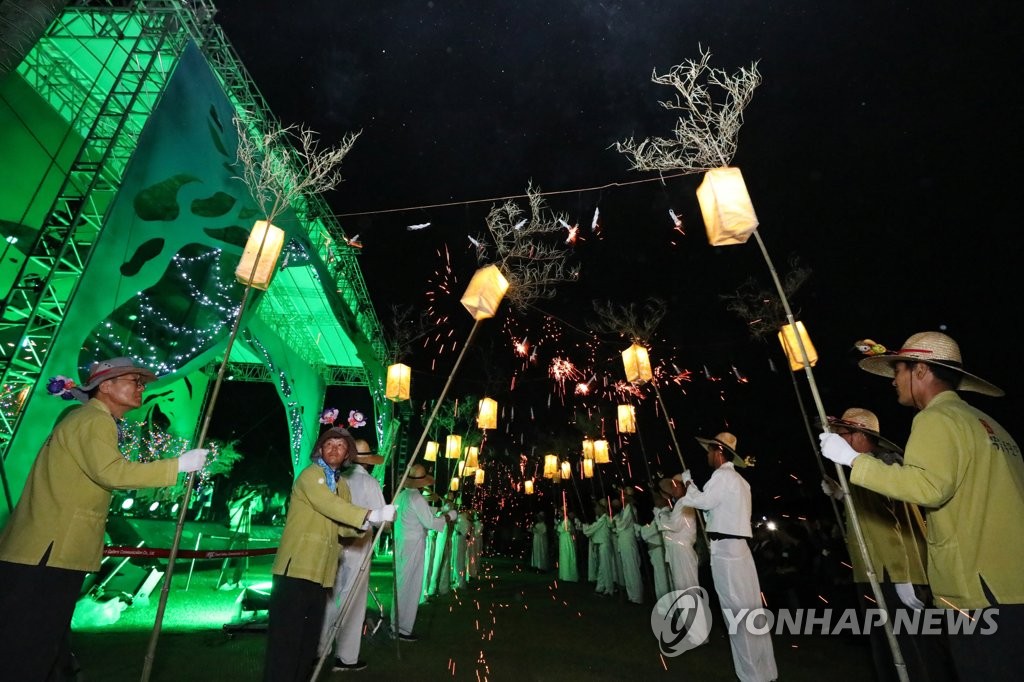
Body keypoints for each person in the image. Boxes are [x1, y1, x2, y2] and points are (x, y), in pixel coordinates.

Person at [820, 331, 1024, 680]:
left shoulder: (935, 419)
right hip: (1012, 582)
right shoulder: (991, 426)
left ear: (920, 371)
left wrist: (855, 461)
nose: (894, 381)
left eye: (898, 370)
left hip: (976, 587)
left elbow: (928, 487)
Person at [0, 357, 208, 681]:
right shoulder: (95, 421)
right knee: (30, 648)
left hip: (43, 549)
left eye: (142, 383)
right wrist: (177, 465)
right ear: (106, 386)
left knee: (42, 645)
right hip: (50, 552)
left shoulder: (86, 419)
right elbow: (112, 472)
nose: (141, 388)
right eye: (134, 381)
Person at [821, 408, 953, 682]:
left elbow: (886, 524)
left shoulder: (871, 467)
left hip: (889, 574)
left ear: (858, 436)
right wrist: (842, 495)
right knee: (913, 646)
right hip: (891, 571)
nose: (836, 439)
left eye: (841, 434)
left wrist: (900, 576)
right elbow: (875, 512)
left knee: (903, 653)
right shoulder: (882, 467)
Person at [262, 428, 394, 682]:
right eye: (329, 444)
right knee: (286, 646)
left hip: (322, 574)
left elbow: (342, 525)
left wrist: (372, 520)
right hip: (296, 570)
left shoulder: (341, 485)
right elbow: (328, 504)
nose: (334, 449)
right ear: (320, 450)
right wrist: (370, 515)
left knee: (307, 645)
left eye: (341, 446)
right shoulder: (311, 476)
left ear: (348, 454)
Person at [680, 432, 777, 682]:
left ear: (718, 451)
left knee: (736, 613)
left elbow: (703, 502)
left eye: (709, 452)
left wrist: (689, 484)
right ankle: (765, 671)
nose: (707, 457)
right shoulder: (741, 481)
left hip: (726, 551)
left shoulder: (722, 476)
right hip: (740, 550)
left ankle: (750, 676)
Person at [318, 438, 386, 673]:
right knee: (353, 601)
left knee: (329, 595)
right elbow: (382, 520)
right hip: (358, 546)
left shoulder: (336, 479)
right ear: (368, 463)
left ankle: (320, 649)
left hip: (335, 543)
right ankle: (346, 657)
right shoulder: (370, 483)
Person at [392, 464, 455, 640]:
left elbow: (416, 515)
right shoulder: (417, 498)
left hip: (401, 543)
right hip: (413, 544)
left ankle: (396, 623)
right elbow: (430, 522)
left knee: (401, 583)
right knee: (411, 585)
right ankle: (403, 628)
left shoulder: (402, 495)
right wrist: (449, 516)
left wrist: (438, 513)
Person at [217, 482, 265, 591]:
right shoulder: (233, 502)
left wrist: (259, 498)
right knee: (227, 558)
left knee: (242, 560)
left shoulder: (248, 504)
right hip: (234, 532)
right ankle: (222, 582)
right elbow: (234, 506)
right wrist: (247, 496)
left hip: (245, 533)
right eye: (247, 492)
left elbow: (260, 509)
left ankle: (237, 581)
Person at [656, 477, 700, 594]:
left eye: (676, 485)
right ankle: (686, 611)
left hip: (682, 550)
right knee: (681, 587)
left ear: (682, 487)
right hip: (678, 551)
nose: (674, 488)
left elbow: (674, 525)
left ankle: (693, 612)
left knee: (687, 586)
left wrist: (662, 514)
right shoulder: (678, 504)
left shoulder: (685, 502)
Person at [610, 487, 643, 603]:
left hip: (628, 541)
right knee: (627, 568)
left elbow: (622, 525)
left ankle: (636, 596)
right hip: (624, 541)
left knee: (632, 568)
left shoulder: (630, 508)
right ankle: (631, 595)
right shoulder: (625, 509)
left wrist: (616, 520)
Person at [640, 491, 672, 604]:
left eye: (657, 498)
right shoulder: (659, 514)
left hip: (660, 551)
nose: (655, 501)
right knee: (660, 580)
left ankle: (666, 608)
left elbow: (649, 531)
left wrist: (642, 530)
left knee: (662, 581)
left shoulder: (664, 514)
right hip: (656, 551)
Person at [582, 503, 613, 596]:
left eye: (597, 507)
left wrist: (585, 526)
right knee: (601, 567)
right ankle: (600, 587)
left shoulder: (603, 519)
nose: (595, 509)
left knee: (605, 567)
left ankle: (609, 589)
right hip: (601, 546)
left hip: (604, 545)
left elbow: (590, 530)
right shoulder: (601, 519)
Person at [555, 511, 578, 582]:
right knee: (563, 556)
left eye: (561, 512)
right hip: (563, 540)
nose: (559, 514)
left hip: (566, 540)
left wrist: (557, 526)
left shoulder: (566, 521)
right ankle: (563, 574)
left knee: (567, 555)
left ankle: (568, 575)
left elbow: (563, 529)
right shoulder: (562, 521)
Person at [452, 510, 471, 589]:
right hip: (460, 542)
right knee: (459, 562)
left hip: (460, 542)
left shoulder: (462, 520)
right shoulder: (464, 520)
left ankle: (460, 582)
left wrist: (456, 527)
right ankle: (459, 581)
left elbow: (462, 532)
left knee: (458, 562)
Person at [468, 510, 484, 579]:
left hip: (477, 542)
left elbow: (477, 534)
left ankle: (476, 570)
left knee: (476, 555)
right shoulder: (473, 523)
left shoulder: (480, 524)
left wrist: (473, 528)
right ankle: (471, 571)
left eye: (475, 515)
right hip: (472, 542)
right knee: (471, 556)